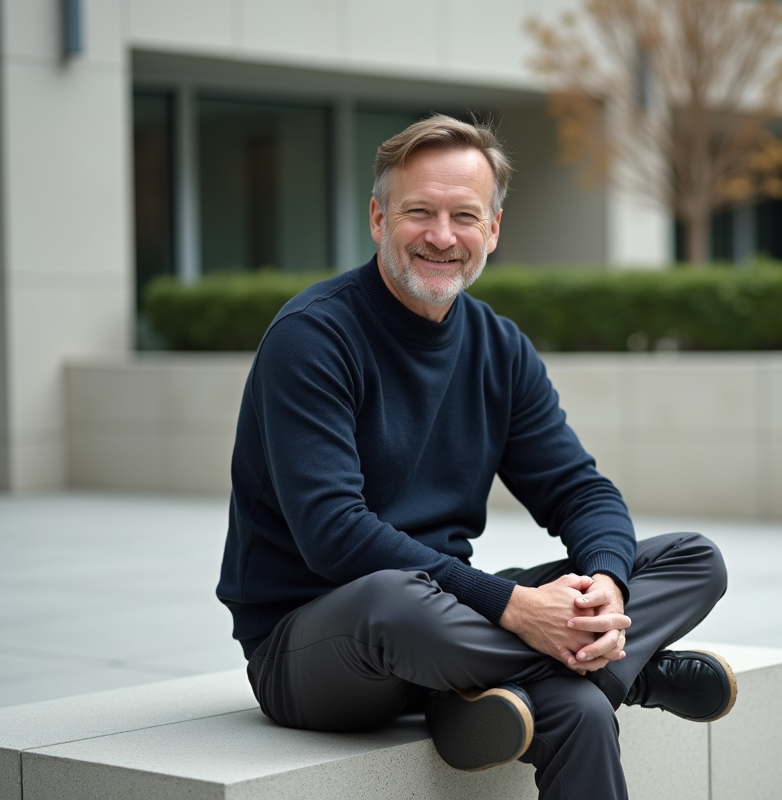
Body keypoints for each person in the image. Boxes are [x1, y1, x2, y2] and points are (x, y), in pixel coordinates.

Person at [216, 115, 734, 800]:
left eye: (464, 215)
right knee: (392, 600)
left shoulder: (499, 346)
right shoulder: (313, 337)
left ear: (492, 230)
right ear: (377, 217)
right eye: (418, 212)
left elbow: (580, 492)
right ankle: (630, 673)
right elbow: (334, 536)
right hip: (315, 646)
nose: (441, 235)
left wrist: (606, 583)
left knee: (689, 562)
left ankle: (499, 690)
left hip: (447, 620)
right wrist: (519, 608)